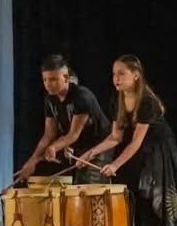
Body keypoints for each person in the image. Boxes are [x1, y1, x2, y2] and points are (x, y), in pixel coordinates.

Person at [76, 54, 177, 226]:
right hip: (140, 150)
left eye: (121, 74)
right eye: (114, 74)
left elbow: (136, 141)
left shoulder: (147, 102)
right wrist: (90, 154)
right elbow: (115, 137)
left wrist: (115, 164)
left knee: (151, 196)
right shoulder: (117, 100)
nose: (116, 79)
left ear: (136, 75)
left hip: (158, 150)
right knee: (133, 195)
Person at [16, 54, 112, 185]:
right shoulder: (50, 100)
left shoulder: (82, 96)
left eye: (53, 79)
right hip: (79, 146)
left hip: (100, 144)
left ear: (66, 78)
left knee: (86, 184)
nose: (48, 84)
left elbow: (73, 134)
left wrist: (54, 147)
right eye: (45, 80)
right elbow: (48, 134)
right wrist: (32, 162)